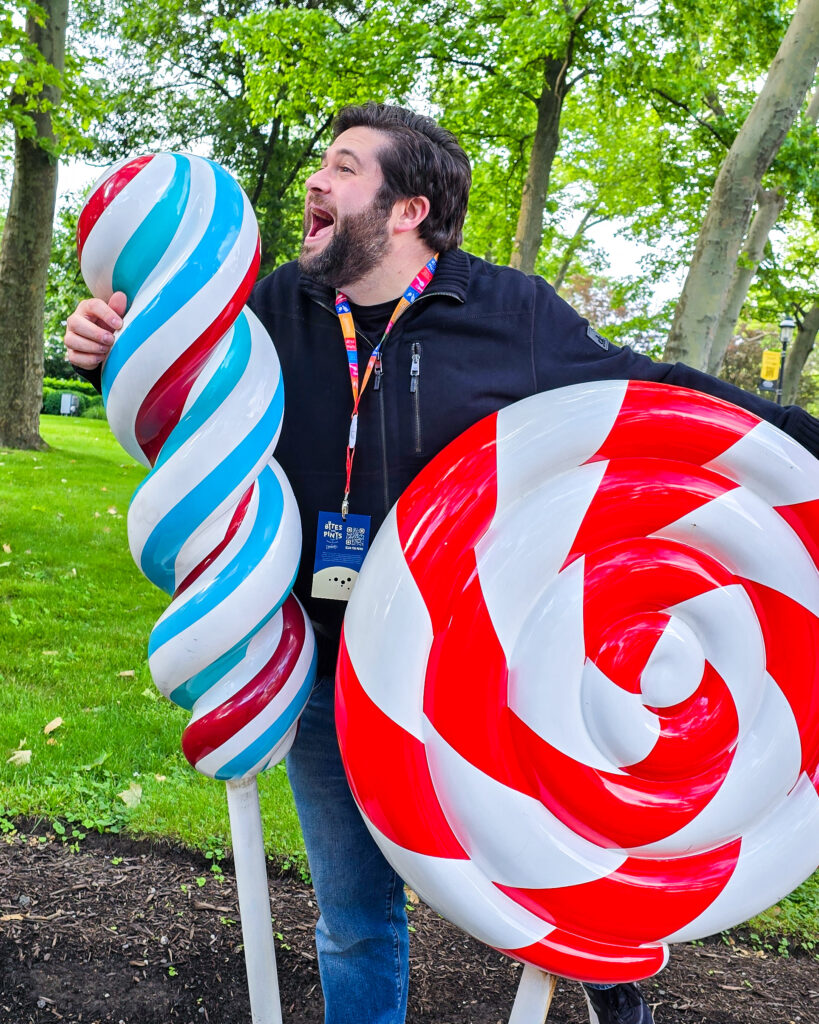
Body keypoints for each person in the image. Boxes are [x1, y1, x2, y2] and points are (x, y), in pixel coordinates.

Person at [64, 102, 819, 1024]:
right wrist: (109, 350)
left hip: (482, 660)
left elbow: (651, 388)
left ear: (409, 209)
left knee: (568, 862)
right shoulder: (270, 309)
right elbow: (186, 401)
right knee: (353, 916)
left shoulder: (511, 316)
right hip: (323, 658)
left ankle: (614, 997)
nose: (316, 180)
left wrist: (801, 440)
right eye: (324, 162)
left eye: (345, 167)